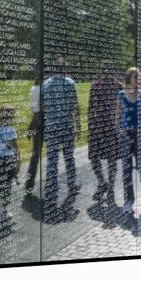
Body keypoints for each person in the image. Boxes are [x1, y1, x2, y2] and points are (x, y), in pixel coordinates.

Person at [43, 55, 82, 211]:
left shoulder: (46, 85)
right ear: (64, 69)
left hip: (51, 126)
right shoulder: (70, 83)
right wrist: (78, 126)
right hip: (66, 126)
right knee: (68, 158)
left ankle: (51, 190)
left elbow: (44, 107)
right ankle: (72, 184)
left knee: (52, 160)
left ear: (53, 68)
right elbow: (75, 107)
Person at [116, 67, 141, 215]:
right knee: (126, 170)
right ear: (128, 79)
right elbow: (118, 115)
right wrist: (118, 129)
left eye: (138, 77)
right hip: (126, 136)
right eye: (135, 77)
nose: (138, 80)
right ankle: (128, 201)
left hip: (140, 136)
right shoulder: (120, 95)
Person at [87, 62, 123, 206]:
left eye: (109, 70)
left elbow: (122, 108)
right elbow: (91, 108)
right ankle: (103, 182)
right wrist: (90, 126)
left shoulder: (118, 86)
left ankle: (110, 187)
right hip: (99, 127)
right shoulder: (96, 86)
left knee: (110, 159)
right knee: (95, 157)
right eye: (105, 70)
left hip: (110, 127)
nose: (107, 72)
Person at [0, 106, 21, 221]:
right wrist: (18, 162)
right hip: (8, 161)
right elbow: (15, 148)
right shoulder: (11, 130)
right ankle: (3, 211)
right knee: (7, 187)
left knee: (0, 184)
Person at [25, 75, 42, 193]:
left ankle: (29, 183)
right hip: (44, 120)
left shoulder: (34, 88)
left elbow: (34, 109)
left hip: (36, 120)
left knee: (35, 155)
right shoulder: (45, 87)